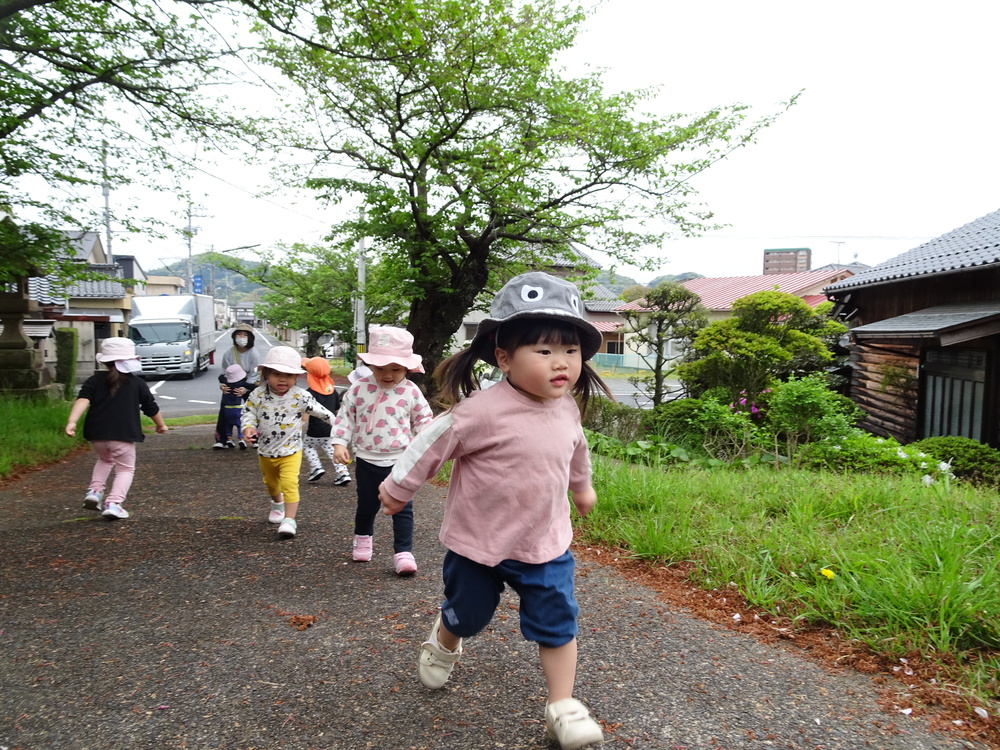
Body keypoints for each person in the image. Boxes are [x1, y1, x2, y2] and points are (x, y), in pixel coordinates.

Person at [377, 272, 613, 750]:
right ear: (504, 357)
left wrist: (582, 488)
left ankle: (563, 707)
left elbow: (575, 451)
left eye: (570, 351)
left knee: (557, 621)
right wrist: (399, 488)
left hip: (544, 544)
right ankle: (446, 637)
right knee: (470, 614)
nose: (561, 363)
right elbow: (429, 445)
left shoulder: (566, 407)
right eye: (543, 351)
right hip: (478, 544)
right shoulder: (479, 413)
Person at [331, 327, 433, 575]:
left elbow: (424, 421)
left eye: (395, 369)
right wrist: (339, 443)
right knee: (367, 505)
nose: (387, 375)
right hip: (367, 458)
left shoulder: (410, 391)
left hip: (400, 459)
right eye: (380, 368)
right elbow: (345, 418)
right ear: (370, 365)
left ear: (407, 368)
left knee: (402, 506)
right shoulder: (358, 389)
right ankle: (363, 537)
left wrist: (431, 442)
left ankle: (403, 552)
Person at [65, 337, 169, 520]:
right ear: (130, 360)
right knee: (125, 469)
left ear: (105, 361)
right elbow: (150, 407)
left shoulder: (94, 380)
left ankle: (95, 491)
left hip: (97, 435)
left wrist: (72, 421)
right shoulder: (137, 383)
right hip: (123, 435)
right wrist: (160, 425)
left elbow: (83, 399)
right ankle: (114, 503)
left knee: (104, 460)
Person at [241, 346, 335, 538]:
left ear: (297, 377)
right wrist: (247, 428)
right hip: (266, 450)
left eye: (288, 375)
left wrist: (342, 429)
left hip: (291, 449)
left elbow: (323, 412)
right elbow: (249, 412)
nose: (282, 379)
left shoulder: (300, 396)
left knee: (290, 483)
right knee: (270, 483)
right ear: (266, 374)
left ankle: (289, 520)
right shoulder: (258, 394)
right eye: (276, 374)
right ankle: (277, 503)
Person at [301, 356, 351, 485]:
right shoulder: (333, 392)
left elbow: (305, 415)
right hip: (330, 428)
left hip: (315, 430)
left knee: (307, 446)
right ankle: (343, 473)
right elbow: (336, 410)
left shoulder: (309, 393)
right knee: (331, 449)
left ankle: (316, 467)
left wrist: (300, 424)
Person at [214, 324, 261, 449]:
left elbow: (255, 373)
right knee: (225, 410)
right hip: (231, 383)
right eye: (239, 334)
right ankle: (222, 439)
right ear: (234, 336)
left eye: (245, 335)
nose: (242, 337)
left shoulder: (254, 353)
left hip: (248, 383)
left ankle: (254, 437)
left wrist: (245, 388)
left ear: (250, 337)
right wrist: (223, 386)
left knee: (252, 410)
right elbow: (224, 371)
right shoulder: (229, 352)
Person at [219, 363, 250, 450]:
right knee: (240, 424)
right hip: (237, 408)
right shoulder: (241, 384)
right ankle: (241, 439)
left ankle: (229, 439)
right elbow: (251, 386)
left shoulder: (226, 384)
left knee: (228, 424)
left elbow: (220, 377)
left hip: (227, 408)